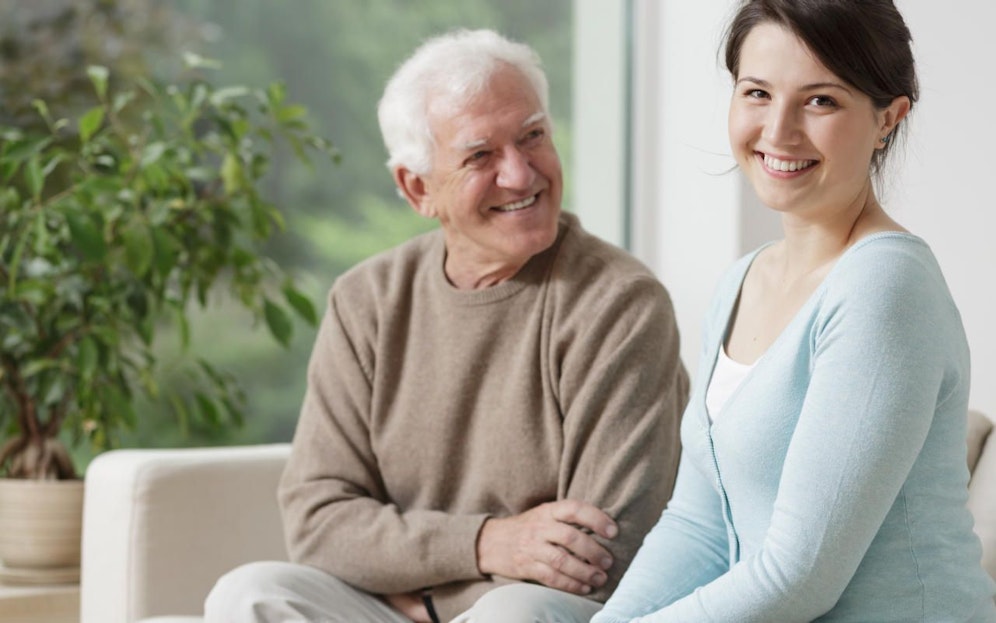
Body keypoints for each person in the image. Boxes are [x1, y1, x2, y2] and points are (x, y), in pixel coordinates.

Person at [204, 28, 689, 623]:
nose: (520, 174)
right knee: (248, 593)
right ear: (417, 188)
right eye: (480, 155)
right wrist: (486, 543)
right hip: (417, 602)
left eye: (532, 137)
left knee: (510, 614)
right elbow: (318, 521)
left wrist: (420, 596)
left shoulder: (619, 304)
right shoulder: (366, 300)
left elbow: (600, 554)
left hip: (531, 611)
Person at [592, 1, 996, 621]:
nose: (778, 131)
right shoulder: (742, 281)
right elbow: (700, 523)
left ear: (888, 118)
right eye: (757, 93)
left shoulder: (885, 287)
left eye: (821, 101)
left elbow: (798, 579)